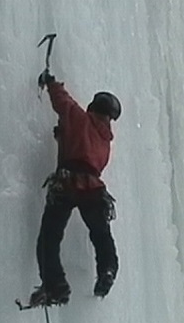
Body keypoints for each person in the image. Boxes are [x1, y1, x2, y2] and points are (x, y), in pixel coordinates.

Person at [30, 70, 120, 307]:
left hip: (68, 183)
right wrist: (64, 137)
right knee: (101, 234)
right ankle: (107, 270)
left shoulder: (81, 119)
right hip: (93, 189)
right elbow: (84, 148)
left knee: (49, 238)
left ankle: (56, 286)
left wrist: (50, 82)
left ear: (93, 108)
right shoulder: (105, 140)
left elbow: (63, 102)